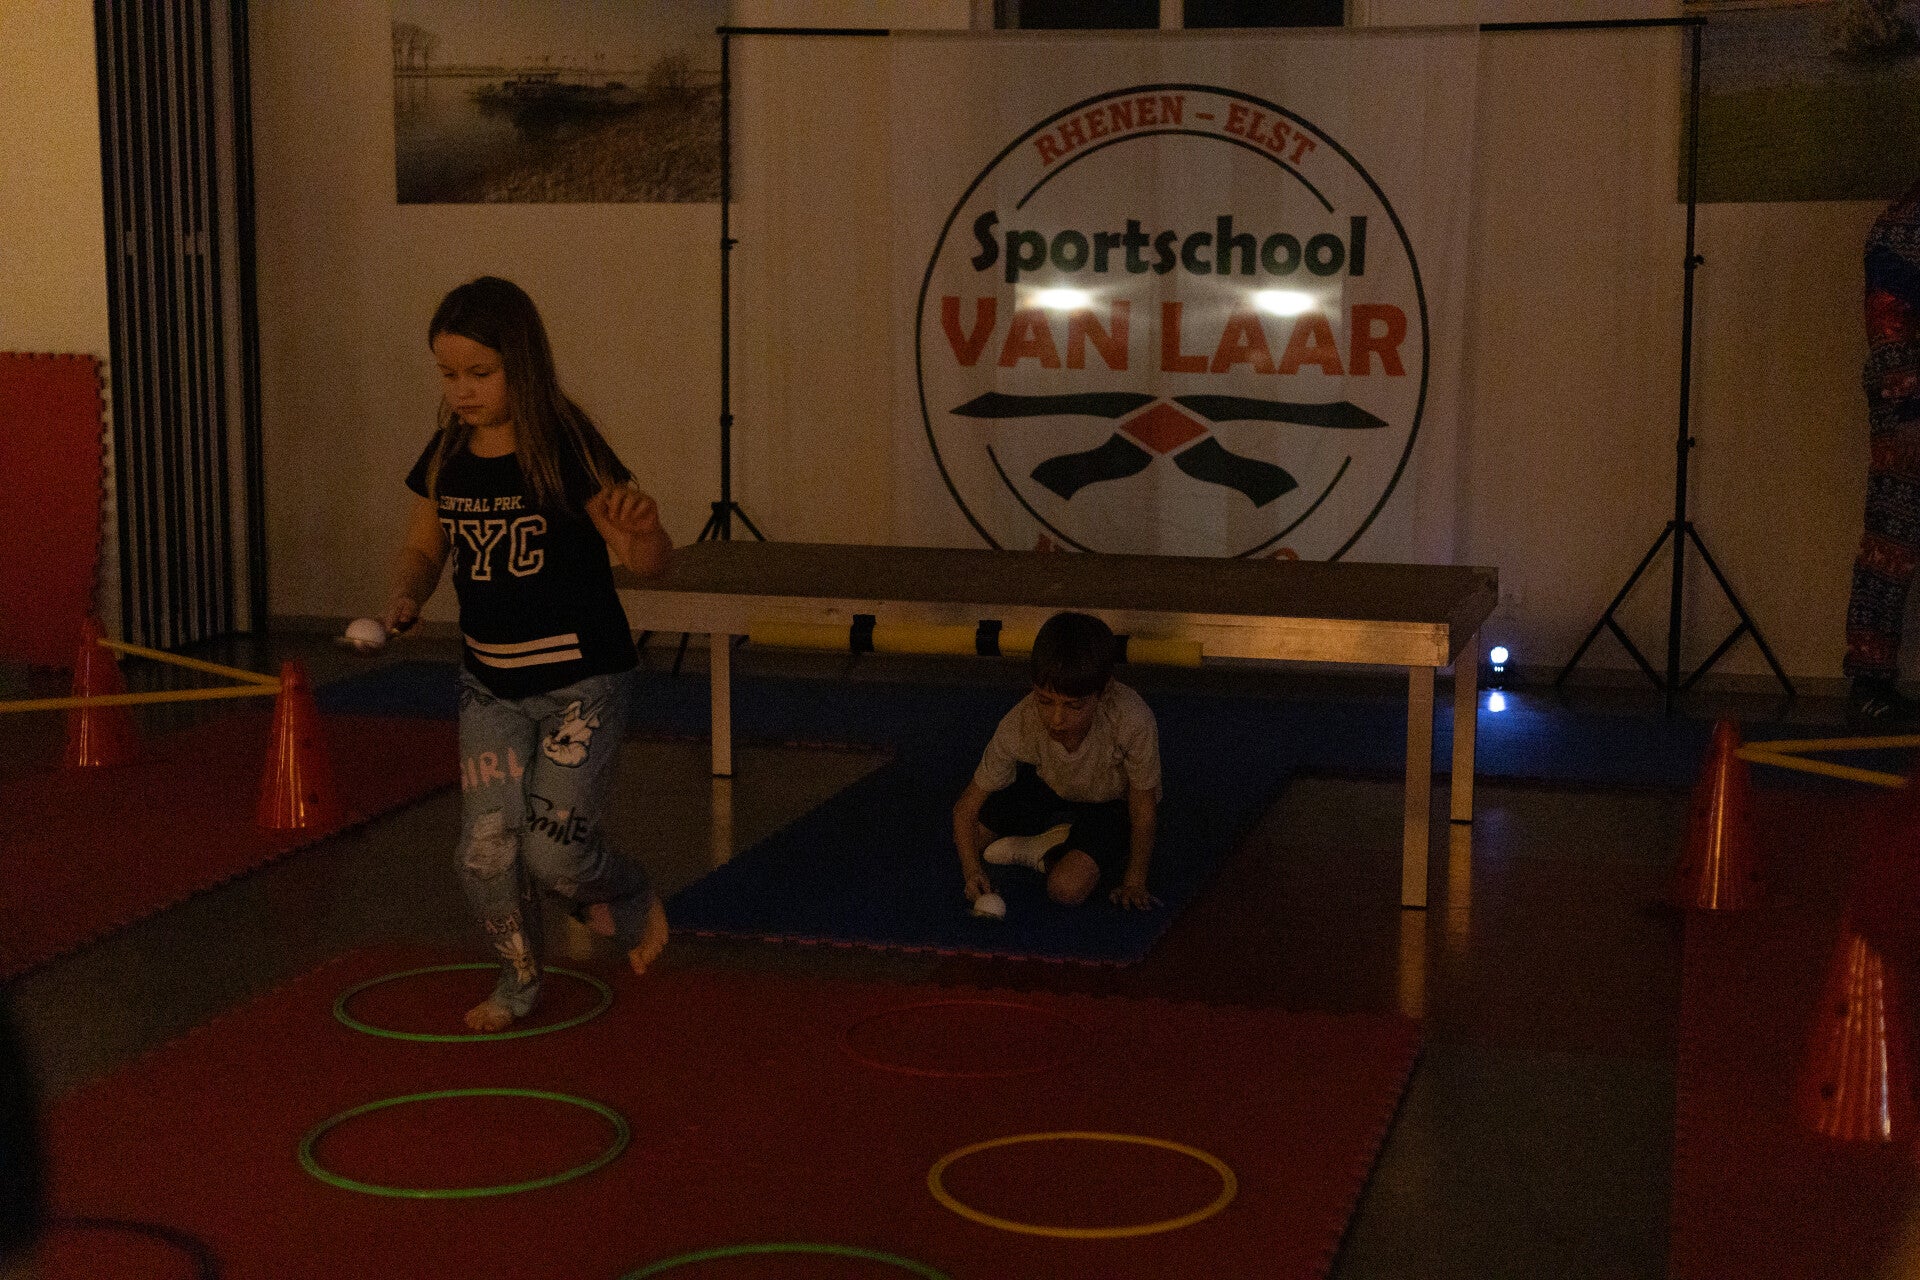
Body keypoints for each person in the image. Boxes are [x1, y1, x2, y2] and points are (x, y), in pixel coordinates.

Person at [368, 276, 673, 1032]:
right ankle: (519, 978)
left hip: (583, 685)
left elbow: (644, 560)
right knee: (485, 852)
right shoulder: (447, 452)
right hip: (490, 688)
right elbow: (423, 546)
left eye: (480, 373)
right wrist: (406, 592)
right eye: (448, 374)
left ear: (522, 364)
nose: (462, 391)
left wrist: (644, 532)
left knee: (554, 856)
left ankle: (626, 890)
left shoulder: (565, 443)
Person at [953, 611, 1161, 912]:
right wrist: (972, 873)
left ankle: (1043, 850)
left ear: (1103, 692)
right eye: (1045, 701)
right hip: (1052, 784)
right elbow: (965, 809)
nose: (1056, 720)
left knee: (1066, 889)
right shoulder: (1020, 722)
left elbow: (1143, 807)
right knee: (971, 840)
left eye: (1073, 706)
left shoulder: (1131, 719)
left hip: (1112, 801)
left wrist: (1135, 881)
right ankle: (1048, 840)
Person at [1844, 177, 1920, 723]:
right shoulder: (1900, 230)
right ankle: (1870, 682)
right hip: (1908, 406)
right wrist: (1908, 410)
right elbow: (1888, 327)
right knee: (1893, 539)